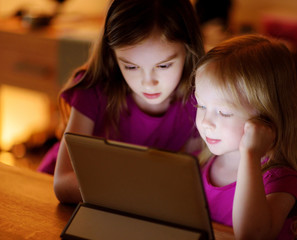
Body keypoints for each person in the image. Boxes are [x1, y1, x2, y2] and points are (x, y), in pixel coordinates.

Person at [51, 0, 204, 203]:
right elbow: (62, 183)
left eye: (164, 65)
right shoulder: (94, 90)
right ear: (113, 56)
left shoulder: (197, 101)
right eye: (131, 67)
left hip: (129, 202)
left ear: (189, 49)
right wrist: (137, 194)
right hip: (81, 197)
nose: (148, 83)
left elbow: (192, 181)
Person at [193, 34, 297, 239]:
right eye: (201, 105)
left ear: (266, 116)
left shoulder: (280, 180)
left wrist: (250, 154)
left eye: (224, 112)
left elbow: (252, 235)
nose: (206, 122)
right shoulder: (203, 160)